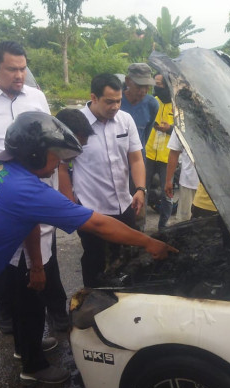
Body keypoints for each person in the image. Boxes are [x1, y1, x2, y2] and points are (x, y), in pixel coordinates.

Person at [0, 112, 175, 388]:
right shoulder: (29, 190)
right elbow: (97, 223)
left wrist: (36, 265)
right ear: (34, 153)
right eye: (55, 155)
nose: (60, 162)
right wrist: (149, 243)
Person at [0, 41, 69, 385]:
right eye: (12, 69)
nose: (20, 75)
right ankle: (32, 363)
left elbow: (51, 145)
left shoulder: (35, 98)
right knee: (20, 280)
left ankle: (26, 344)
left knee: (31, 278)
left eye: (23, 68)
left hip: (32, 199)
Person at [72, 73, 148, 287]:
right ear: (93, 98)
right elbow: (62, 165)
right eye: (109, 101)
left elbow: (135, 159)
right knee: (94, 260)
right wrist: (69, 201)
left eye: (118, 101)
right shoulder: (77, 122)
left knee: (126, 258)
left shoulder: (125, 120)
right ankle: (92, 304)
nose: (115, 106)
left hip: (124, 204)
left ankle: (124, 303)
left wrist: (140, 188)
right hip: (91, 208)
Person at [121, 63, 159, 231]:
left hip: (138, 162)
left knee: (138, 206)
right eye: (139, 85)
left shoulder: (152, 104)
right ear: (128, 81)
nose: (143, 90)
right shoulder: (116, 101)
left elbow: (146, 134)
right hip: (117, 163)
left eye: (147, 87)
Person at [144, 73, 174, 229]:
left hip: (167, 157)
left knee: (166, 193)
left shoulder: (177, 106)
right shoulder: (152, 102)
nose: (156, 87)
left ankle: (164, 226)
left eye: (159, 84)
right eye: (155, 83)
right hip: (149, 153)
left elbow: (184, 130)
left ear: (168, 85)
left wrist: (170, 129)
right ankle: (139, 225)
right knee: (142, 189)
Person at [164, 129, 199, 222]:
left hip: (213, 188)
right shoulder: (181, 124)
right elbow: (174, 153)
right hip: (189, 183)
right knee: (185, 222)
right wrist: (168, 181)